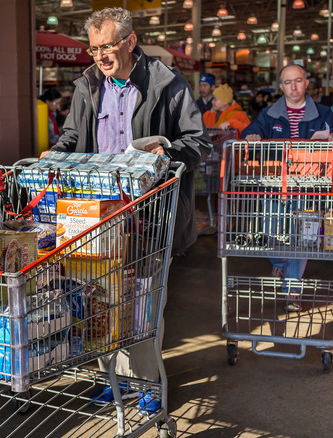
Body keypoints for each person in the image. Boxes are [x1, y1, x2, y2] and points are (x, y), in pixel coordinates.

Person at [41, 7, 211, 414]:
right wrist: (56, 153)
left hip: (149, 214)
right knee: (100, 297)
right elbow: (71, 136)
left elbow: (198, 142)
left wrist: (167, 150)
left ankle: (147, 383)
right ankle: (113, 380)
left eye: (108, 46)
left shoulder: (167, 84)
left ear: (130, 42)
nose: (100, 55)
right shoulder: (87, 86)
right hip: (97, 213)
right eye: (94, 48)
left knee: (143, 301)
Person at [242, 63, 333, 312]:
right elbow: (251, 131)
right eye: (288, 82)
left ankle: (292, 291)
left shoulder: (324, 114)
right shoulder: (269, 114)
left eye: (298, 80)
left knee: (301, 239)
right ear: (281, 86)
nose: (293, 87)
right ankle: (279, 261)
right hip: (275, 185)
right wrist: (252, 136)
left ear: (306, 83)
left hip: (307, 186)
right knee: (272, 234)